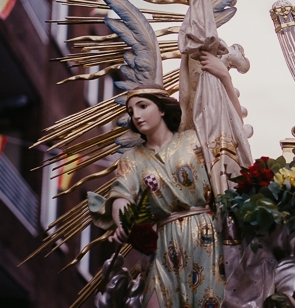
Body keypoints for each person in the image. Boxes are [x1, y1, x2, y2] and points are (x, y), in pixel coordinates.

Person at [91, 50, 239, 308]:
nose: (135, 115)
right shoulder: (133, 158)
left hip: (205, 234)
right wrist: (124, 223)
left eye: (142, 106)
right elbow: (122, 196)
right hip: (163, 241)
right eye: (131, 110)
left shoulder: (194, 140)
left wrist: (224, 76)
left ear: (161, 109)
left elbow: (232, 129)